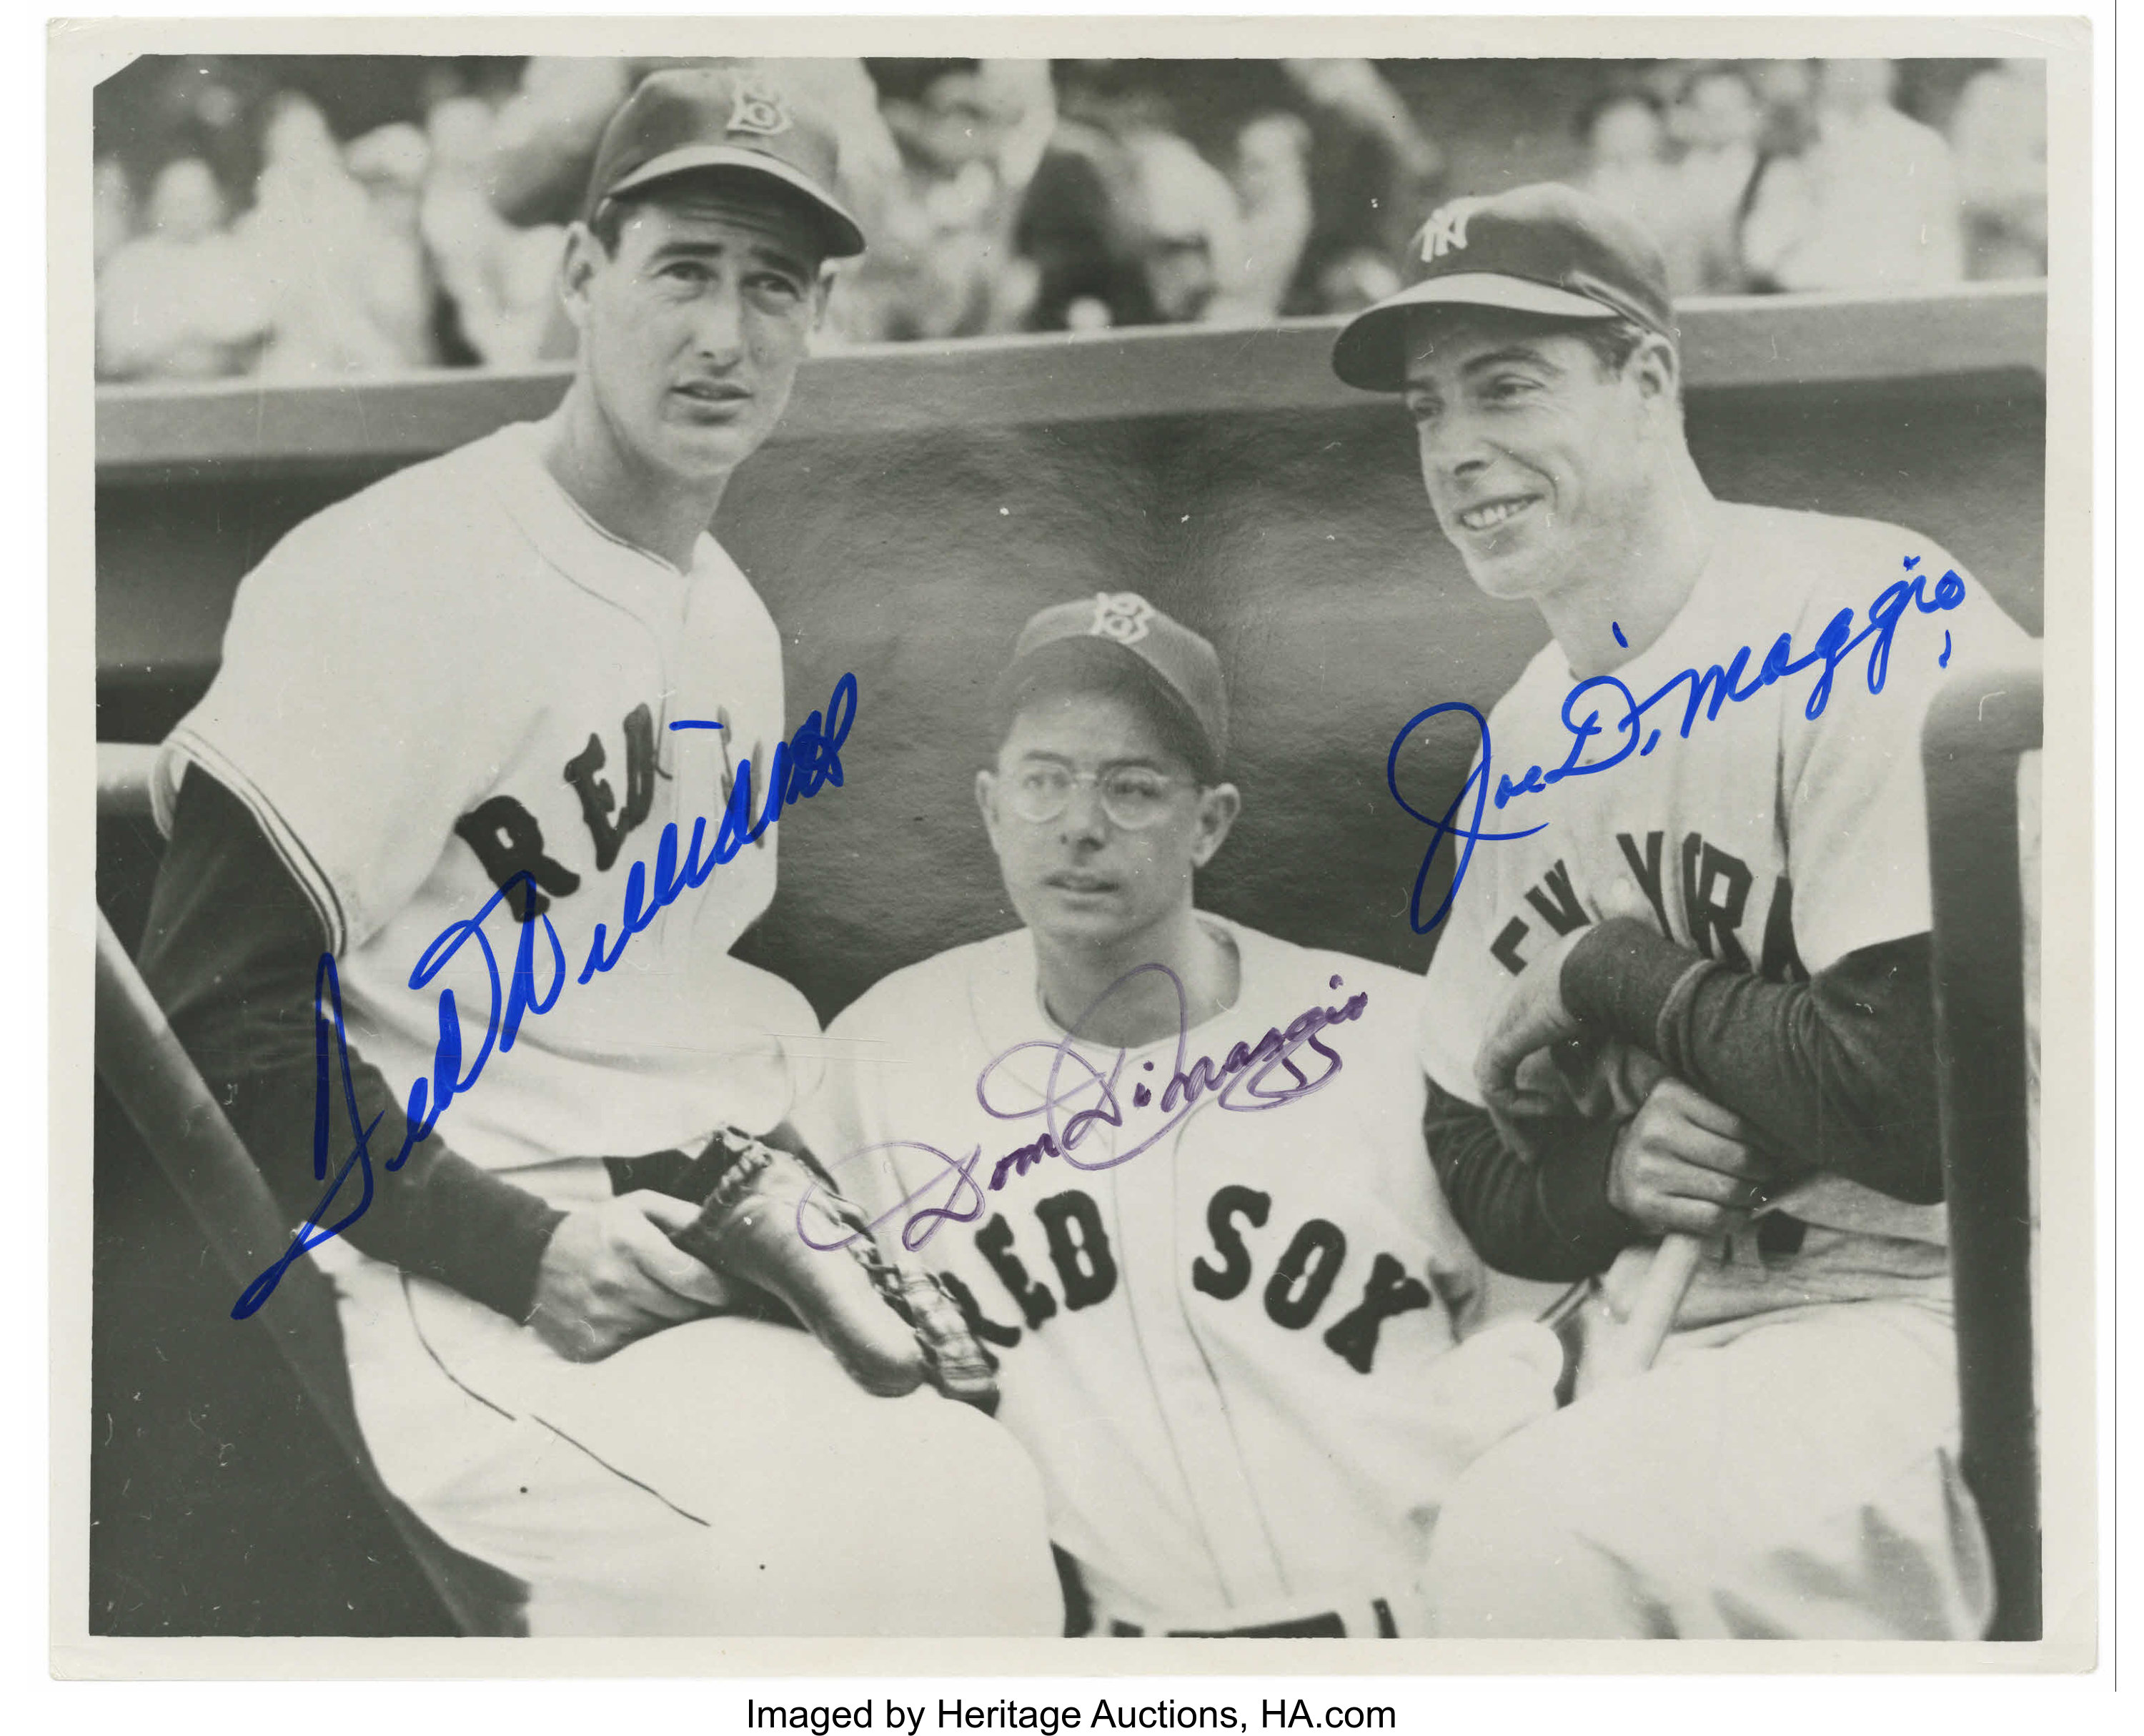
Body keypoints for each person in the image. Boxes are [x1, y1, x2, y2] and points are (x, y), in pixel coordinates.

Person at [135, 62, 1058, 1637]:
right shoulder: (398, 566)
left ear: (820, 319)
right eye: (684, 267)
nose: (726, 331)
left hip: (671, 1261)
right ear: (580, 274)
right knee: (783, 1571)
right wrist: (521, 1249)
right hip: (455, 1275)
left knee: (985, 1510)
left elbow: (660, 1018)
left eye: (775, 285)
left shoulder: (731, 628)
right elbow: (214, 1009)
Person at [1329, 182, 2035, 1637]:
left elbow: (1921, 1108)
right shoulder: (1528, 728)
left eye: (1507, 386)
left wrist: (1608, 968)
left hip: (1961, 1315)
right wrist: (1610, 1178)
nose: (1459, 449)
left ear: (1648, 380)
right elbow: (1471, 1133)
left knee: (1535, 1549)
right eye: (1427, 409)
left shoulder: (1863, 607)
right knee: (1334, 1496)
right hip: (1692, 1314)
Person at [793, 595, 1564, 1637]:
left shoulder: (1394, 1031)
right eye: (1044, 781)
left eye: (1134, 788)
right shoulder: (883, 1054)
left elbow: (1552, 1318)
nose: (1079, 824)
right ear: (987, 806)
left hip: (1420, 1636)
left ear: (1212, 823)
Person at [1740, 57, 1964, 292]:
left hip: (1896, 296)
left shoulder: (1922, 145)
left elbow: (1941, 242)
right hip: (1811, 297)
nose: (1856, 71)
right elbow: (1760, 251)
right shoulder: (1795, 143)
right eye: (1842, 60)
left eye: (1869, 59)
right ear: (1824, 70)